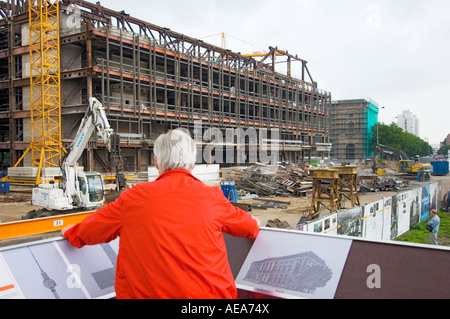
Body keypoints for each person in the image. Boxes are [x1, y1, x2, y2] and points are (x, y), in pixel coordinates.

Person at [61, 129, 260, 299]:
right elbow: (250, 228)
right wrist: (253, 221)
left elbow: (90, 231)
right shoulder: (212, 198)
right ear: (192, 163)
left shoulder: (132, 199)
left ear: (156, 162)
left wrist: (72, 233)